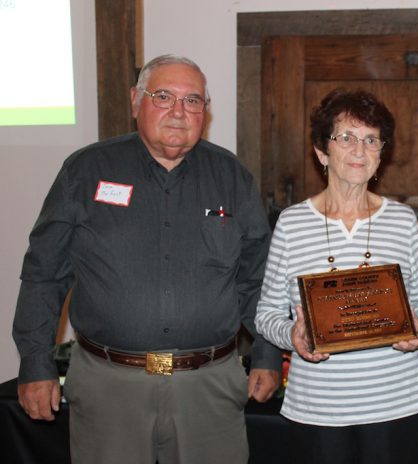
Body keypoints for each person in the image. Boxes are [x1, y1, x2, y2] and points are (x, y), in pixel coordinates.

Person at [12, 54, 281, 464]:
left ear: (205, 113)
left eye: (193, 101)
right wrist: (35, 363)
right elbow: (43, 275)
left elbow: (257, 278)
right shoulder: (86, 171)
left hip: (207, 387)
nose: (179, 111)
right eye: (164, 97)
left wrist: (266, 354)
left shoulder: (232, 177)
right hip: (108, 387)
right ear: (136, 100)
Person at [255, 88, 418, 464]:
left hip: (397, 403)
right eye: (346, 138)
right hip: (319, 408)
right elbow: (267, 313)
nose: (360, 150)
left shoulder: (402, 221)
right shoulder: (291, 224)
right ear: (322, 152)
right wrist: (292, 334)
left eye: (371, 140)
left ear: (381, 155)